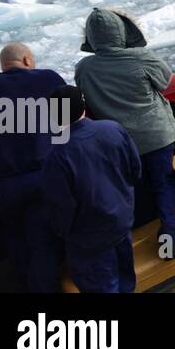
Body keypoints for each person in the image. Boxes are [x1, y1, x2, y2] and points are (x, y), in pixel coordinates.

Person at [75, 8, 175, 258]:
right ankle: (169, 233)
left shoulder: (84, 68)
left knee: (128, 189)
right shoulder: (141, 58)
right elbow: (165, 81)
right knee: (163, 183)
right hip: (155, 135)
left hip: (117, 143)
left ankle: (129, 243)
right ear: (121, 32)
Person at [0, 43, 67, 291]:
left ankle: (25, 282)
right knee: (42, 241)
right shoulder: (49, 78)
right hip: (40, 176)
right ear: (26, 59)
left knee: (14, 237)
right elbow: (66, 120)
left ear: (3, 65)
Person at [41, 85, 140, 294]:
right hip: (121, 223)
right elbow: (135, 170)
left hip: (89, 240)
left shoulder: (57, 156)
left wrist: (65, 233)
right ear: (83, 107)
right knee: (126, 282)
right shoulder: (113, 129)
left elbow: (62, 208)